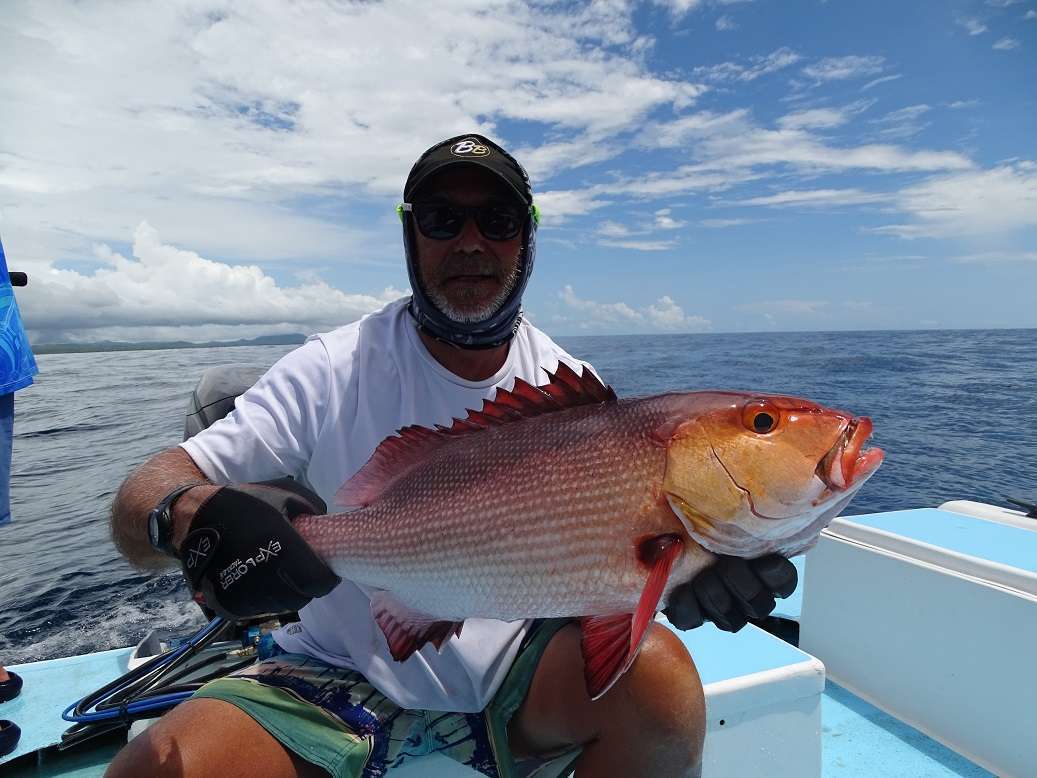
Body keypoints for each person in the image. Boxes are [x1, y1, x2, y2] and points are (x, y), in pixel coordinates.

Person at [106, 134, 796, 778]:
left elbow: (596, 573)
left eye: (496, 220)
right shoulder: (333, 367)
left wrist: (676, 579)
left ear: (527, 236)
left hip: (513, 675)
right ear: (410, 234)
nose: (470, 243)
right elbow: (146, 488)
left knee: (665, 692)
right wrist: (186, 512)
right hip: (330, 669)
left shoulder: (572, 390)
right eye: (442, 219)